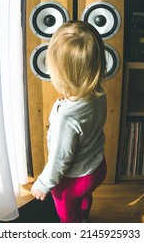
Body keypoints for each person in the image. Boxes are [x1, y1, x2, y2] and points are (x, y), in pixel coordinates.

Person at [30, 20, 107, 223]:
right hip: (97, 167)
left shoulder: (65, 118)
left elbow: (60, 159)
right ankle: (84, 217)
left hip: (73, 179)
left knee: (67, 215)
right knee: (84, 197)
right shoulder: (99, 92)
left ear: (58, 71)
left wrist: (43, 183)